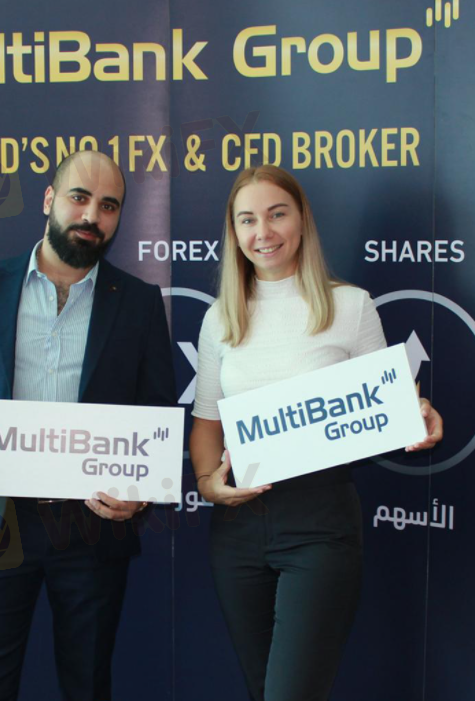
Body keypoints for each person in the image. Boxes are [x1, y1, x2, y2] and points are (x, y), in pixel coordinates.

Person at [0, 149, 176, 701]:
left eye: (109, 205)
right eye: (79, 198)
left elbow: (157, 415)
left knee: (87, 684)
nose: (92, 216)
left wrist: (141, 492)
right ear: (49, 200)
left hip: (93, 525)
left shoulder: (139, 302)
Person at [189, 165, 443, 701]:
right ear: (234, 232)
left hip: (320, 525)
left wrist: (417, 413)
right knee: (262, 690)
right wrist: (210, 485)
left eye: (277, 214)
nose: (263, 232)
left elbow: (388, 406)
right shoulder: (220, 319)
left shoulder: (350, 305)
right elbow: (208, 420)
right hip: (237, 530)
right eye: (247, 220)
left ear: (302, 219)